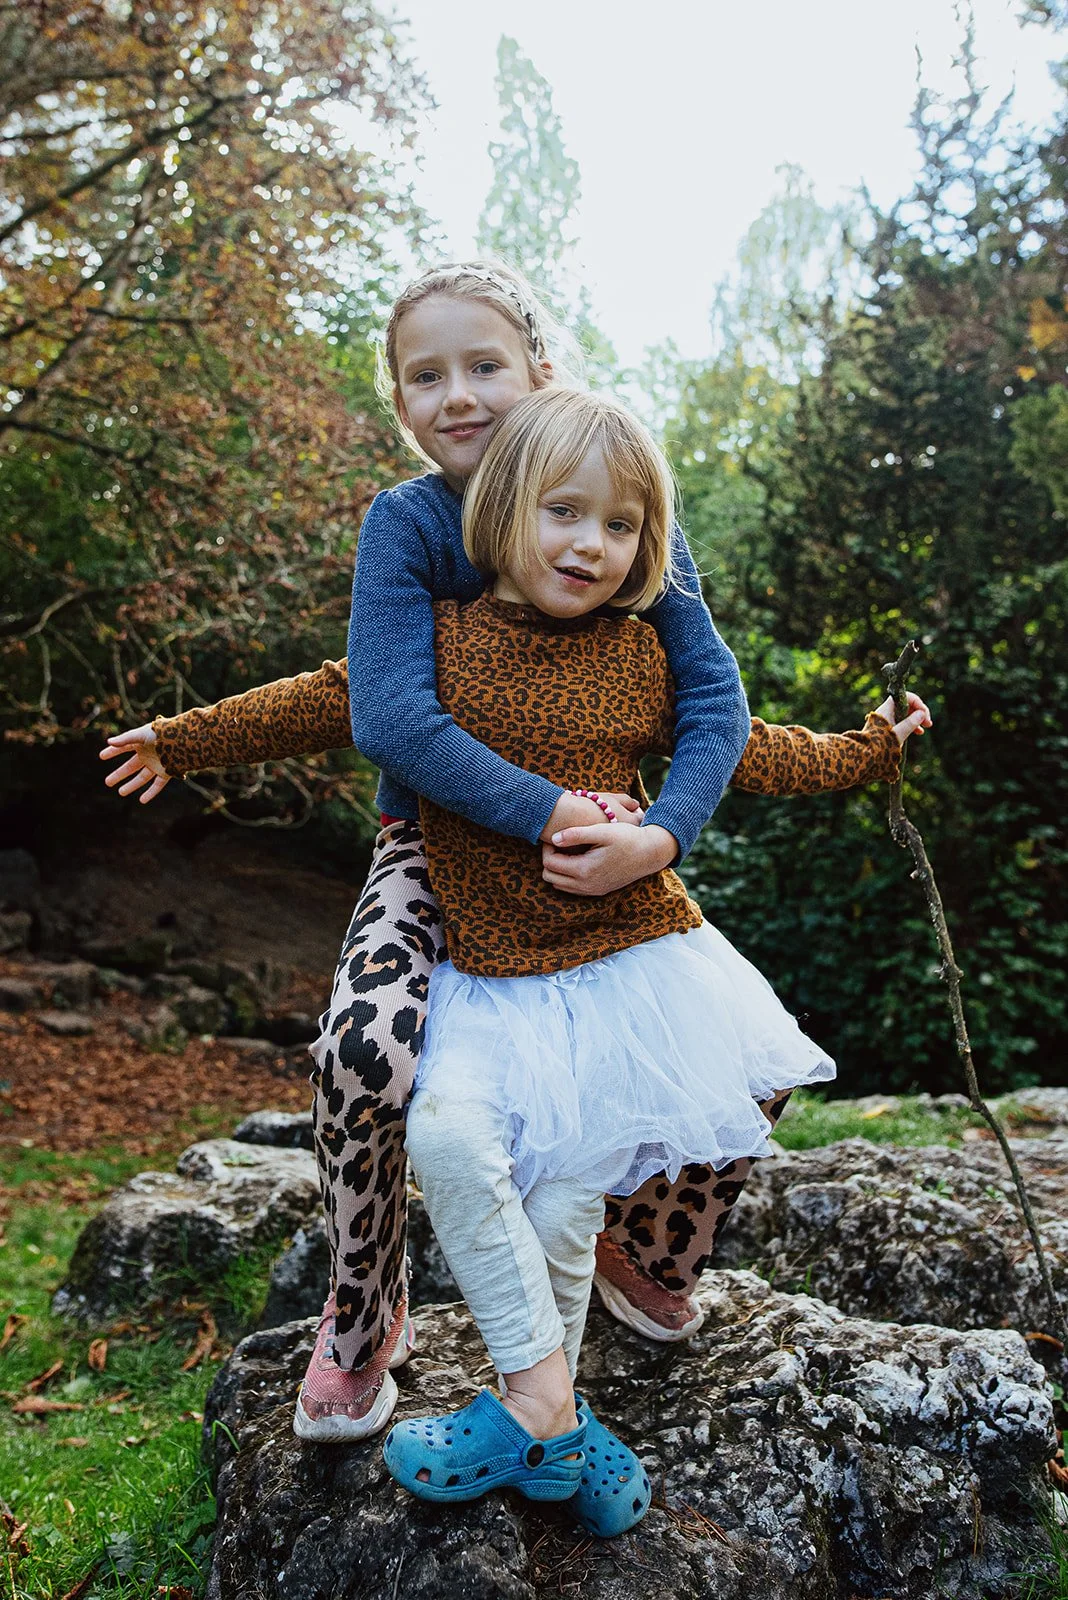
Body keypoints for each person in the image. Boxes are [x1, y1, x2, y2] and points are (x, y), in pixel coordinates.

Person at [99, 262, 931, 1449]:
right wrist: (189, 740)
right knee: (363, 1048)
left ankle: (640, 1247)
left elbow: (714, 713)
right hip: (428, 848)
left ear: (542, 369)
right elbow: (369, 706)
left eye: (484, 364)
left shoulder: (616, 503)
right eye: (425, 376)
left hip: (605, 856)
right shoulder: (409, 527)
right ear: (399, 402)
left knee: (733, 1050)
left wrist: (661, 832)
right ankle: (361, 1301)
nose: (458, 395)